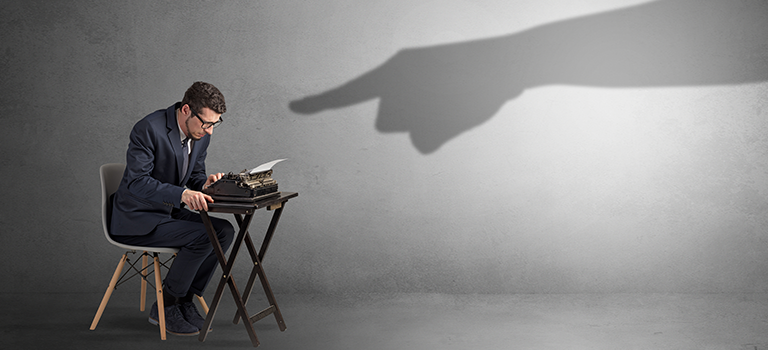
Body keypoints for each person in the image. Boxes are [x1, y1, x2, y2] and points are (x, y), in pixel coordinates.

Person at [110, 81, 235, 336]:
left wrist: (205, 183)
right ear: (186, 110)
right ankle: (166, 305)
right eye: (206, 123)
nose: (210, 131)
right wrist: (182, 194)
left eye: (215, 124)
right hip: (137, 218)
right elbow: (136, 182)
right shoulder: (148, 129)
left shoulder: (199, 135)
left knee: (224, 231)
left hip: (168, 213)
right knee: (203, 237)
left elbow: (195, 175)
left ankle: (184, 300)